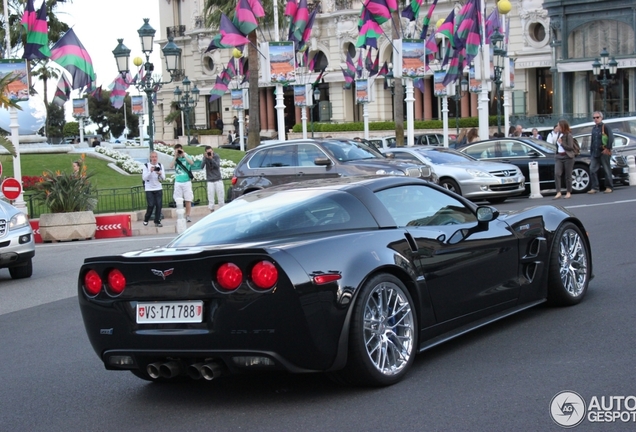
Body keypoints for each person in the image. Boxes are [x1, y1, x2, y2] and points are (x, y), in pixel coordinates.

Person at [588, 111, 614, 194]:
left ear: (601, 118)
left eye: (597, 117)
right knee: (592, 170)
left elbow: (611, 137)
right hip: (595, 153)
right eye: (594, 118)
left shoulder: (605, 127)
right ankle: (595, 187)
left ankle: (609, 187)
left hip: (604, 152)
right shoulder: (594, 128)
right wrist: (591, 151)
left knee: (606, 170)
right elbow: (593, 141)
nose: (595, 119)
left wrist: (608, 148)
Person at [170, 143, 195, 222]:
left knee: (188, 199)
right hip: (178, 181)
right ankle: (180, 215)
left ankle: (187, 215)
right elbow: (171, 165)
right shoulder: (176, 158)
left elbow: (191, 163)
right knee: (178, 199)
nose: (179, 152)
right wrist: (175, 156)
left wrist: (184, 155)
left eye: (179, 150)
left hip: (186, 181)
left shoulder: (186, 156)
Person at [553, 119, 575, 200]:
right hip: (559, 156)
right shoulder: (559, 134)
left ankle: (568, 192)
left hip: (567, 156)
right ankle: (558, 192)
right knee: (557, 173)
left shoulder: (568, 135)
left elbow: (570, 147)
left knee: (568, 175)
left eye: (558, 125)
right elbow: (557, 145)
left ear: (562, 126)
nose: (557, 127)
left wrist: (562, 143)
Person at [141, 151, 165, 227]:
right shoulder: (146, 166)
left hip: (158, 187)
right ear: (150, 158)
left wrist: (160, 173)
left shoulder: (160, 165)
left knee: (159, 205)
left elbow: (164, 178)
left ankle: (157, 221)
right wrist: (150, 171)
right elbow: (144, 178)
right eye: (153, 157)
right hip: (149, 189)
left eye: (155, 157)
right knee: (151, 205)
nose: (154, 158)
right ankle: (146, 218)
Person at [202, 146, 225, 213]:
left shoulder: (216, 156)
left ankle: (222, 212)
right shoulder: (205, 157)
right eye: (208, 152)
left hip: (218, 179)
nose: (209, 153)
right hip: (210, 180)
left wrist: (211, 158)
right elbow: (201, 166)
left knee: (221, 198)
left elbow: (217, 166)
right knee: (211, 198)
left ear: (213, 151)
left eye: (210, 151)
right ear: (206, 152)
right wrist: (205, 159)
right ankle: (212, 211)